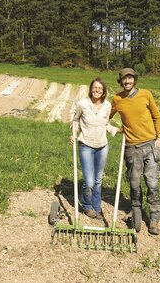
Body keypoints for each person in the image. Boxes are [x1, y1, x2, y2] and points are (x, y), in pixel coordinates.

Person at [110, 68, 160, 235]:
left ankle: (154, 218)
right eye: (124, 79)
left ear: (134, 80)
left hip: (150, 146)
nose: (127, 82)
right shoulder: (117, 99)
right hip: (132, 148)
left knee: (152, 183)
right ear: (121, 81)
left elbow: (157, 116)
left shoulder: (145, 94)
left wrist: (159, 138)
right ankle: (136, 210)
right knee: (134, 184)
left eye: (130, 78)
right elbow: (105, 116)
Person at [70, 78, 117, 220]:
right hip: (86, 145)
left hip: (102, 146)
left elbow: (106, 123)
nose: (97, 90)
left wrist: (114, 129)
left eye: (100, 89)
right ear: (91, 89)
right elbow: (76, 119)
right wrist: (73, 134)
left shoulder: (107, 105)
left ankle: (96, 208)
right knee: (89, 181)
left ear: (103, 92)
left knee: (98, 180)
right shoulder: (83, 104)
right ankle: (86, 204)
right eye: (95, 88)